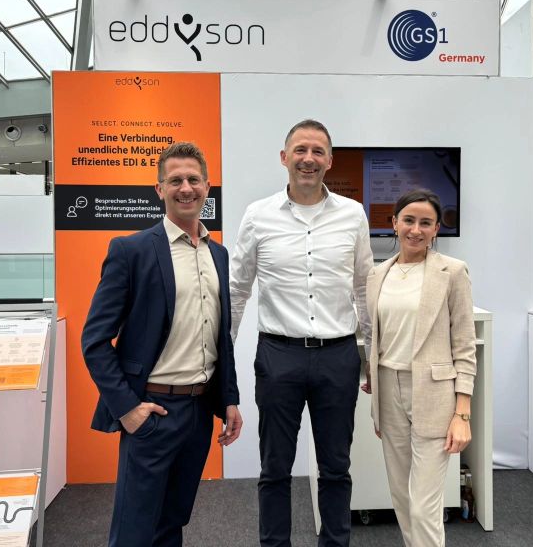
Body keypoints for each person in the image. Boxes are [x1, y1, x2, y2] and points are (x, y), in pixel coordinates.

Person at [81, 142, 242, 547]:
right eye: (175, 180)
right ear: (160, 189)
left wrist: (229, 399)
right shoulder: (131, 250)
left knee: (172, 524)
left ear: (207, 187)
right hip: (152, 411)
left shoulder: (219, 255)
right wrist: (128, 410)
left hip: (199, 412)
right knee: (133, 532)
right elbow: (95, 340)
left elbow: (220, 336)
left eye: (193, 180)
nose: (186, 188)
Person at [230, 119, 373, 547]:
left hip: (338, 357)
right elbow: (237, 290)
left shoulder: (353, 214)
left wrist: (371, 358)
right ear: (284, 158)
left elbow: (364, 288)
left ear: (330, 161)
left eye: (317, 151)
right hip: (279, 356)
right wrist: (221, 361)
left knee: (336, 468)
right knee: (275, 468)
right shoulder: (258, 215)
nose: (308, 159)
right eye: (300, 150)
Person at [362, 188, 476, 547]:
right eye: (408, 220)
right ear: (394, 223)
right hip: (387, 391)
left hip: (433, 394)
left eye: (426, 223)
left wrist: (462, 413)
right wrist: (370, 375)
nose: (416, 229)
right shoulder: (377, 275)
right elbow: (373, 334)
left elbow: (464, 346)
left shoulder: (452, 272)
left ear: (436, 229)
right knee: (402, 497)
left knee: (424, 506)